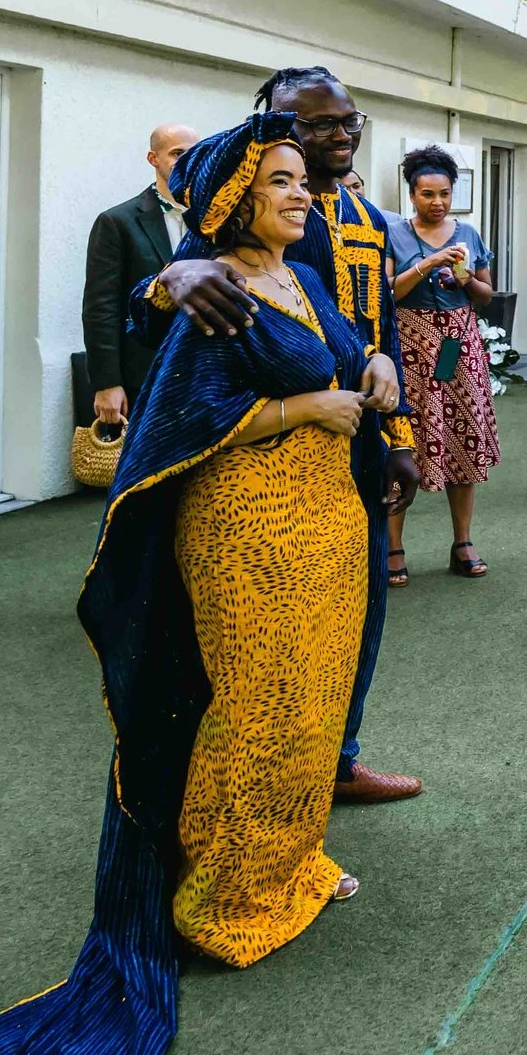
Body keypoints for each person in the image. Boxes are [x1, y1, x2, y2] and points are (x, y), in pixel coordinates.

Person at [0, 117, 392, 1055]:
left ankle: (291, 859)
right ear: (232, 196)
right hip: (247, 523)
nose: (302, 195)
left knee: (312, 704)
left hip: (329, 526)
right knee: (257, 703)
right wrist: (308, 410)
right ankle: (219, 896)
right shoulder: (210, 287)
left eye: (305, 180)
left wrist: (374, 369)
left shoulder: (299, 278)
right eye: (281, 181)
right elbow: (182, 422)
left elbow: (343, 358)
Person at [148, 66, 421, 805]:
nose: (339, 133)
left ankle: (336, 758)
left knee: (356, 610)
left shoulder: (366, 217)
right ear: (272, 126)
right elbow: (180, 274)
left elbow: (377, 326)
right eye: (317, 123)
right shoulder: (255, 213)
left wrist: (395, 420)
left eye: (348, 120)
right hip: (262, 470)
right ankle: (259, 790)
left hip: (356, 436)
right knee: (268, 647)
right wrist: (180, 275)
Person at [384, 147, 503, 580]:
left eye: (445, 194)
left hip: (458, 344)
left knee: (464, 436)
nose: (437, 202)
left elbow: (487, 295)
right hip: (411, 344)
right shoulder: (394, 233)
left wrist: (466, 278)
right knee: (403, 440)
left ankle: (463, 542)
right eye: (427, 194)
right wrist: (430, 263)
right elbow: (388, 294)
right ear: (412, 194)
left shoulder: (468, 234)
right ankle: (393, 545)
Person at [81, 122, 197, 431]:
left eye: (194, 153)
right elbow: (100, 308)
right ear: (153, 159)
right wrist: (107, 383)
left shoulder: (215, 221)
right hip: (143, 377)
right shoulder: (117, 222)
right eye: (176, 153)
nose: (187, 160)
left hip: (202, 376)